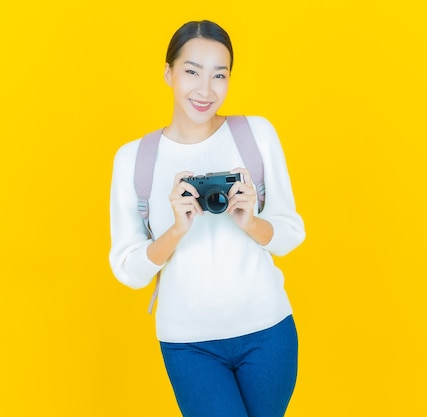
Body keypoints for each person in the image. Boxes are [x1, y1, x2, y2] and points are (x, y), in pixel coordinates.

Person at [109, 20, 306, 417]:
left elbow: (291, 233)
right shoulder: (135, 159)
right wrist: (176, 230)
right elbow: (129, 269)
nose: (205, 90)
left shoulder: (256, 135)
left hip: (268, 332)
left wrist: (250, 220)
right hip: (188, 344)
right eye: (191, 72)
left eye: (220, 75)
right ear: (168, 72)